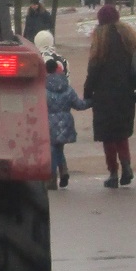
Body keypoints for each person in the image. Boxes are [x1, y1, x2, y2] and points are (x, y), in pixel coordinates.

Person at [83, 1, 136, 188]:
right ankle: (127, 166)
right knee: (121, 135)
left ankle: (113, 173)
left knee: (108, 138)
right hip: (125, 94)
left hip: (104, 97)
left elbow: (93, 71)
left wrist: (88, 92)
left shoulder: (100, 43)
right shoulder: (128, 39)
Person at [45, 53, 90, 190]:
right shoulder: (67, 88)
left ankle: (52, 178)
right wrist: (93, 101)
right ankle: (63, 171)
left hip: (49, 123)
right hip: (66, 123)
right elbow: (79, 105)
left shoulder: (43, 89)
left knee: (52, 150)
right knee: (59, 148)